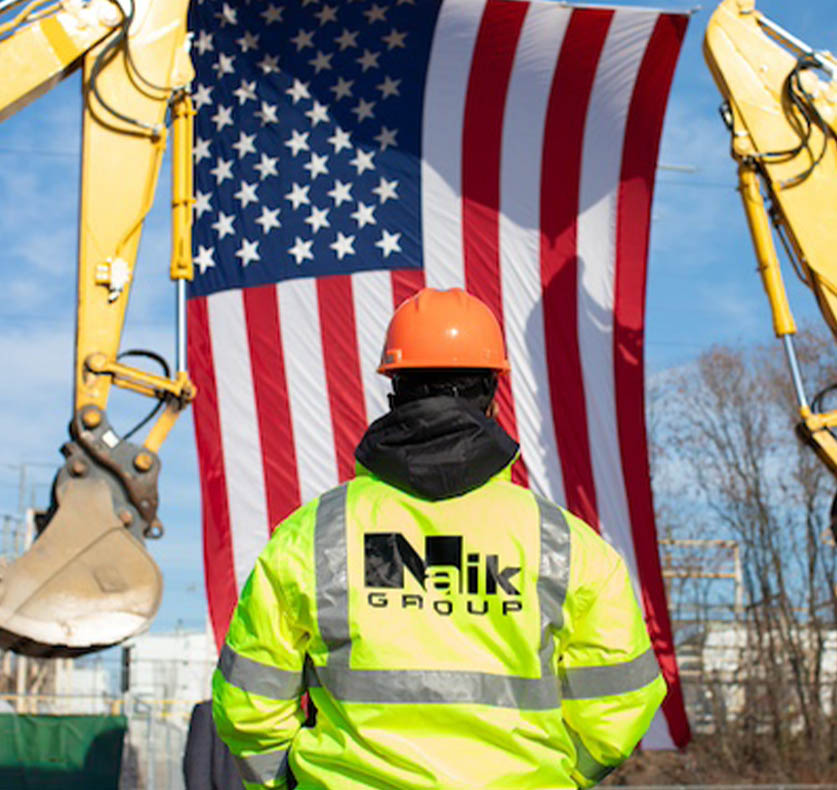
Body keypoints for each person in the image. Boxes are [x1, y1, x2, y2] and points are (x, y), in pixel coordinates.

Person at [212, 287, 666, 789]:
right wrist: (559, 776)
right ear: (494, 394)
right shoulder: (567, 547)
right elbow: (621, 704)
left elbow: (247, 709)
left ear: (394, 394)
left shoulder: (311, 540)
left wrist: (289, 785)